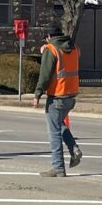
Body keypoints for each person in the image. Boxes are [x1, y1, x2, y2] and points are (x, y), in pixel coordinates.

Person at [32, 22, 82, 177]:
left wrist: (37, 94)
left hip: (57, 96)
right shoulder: (74, 48)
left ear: (49, 37)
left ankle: (58, 167)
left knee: (53, 131)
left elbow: (45, 75)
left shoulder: (51, 50)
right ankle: (73, 148)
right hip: (71, 95)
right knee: (59, 124)